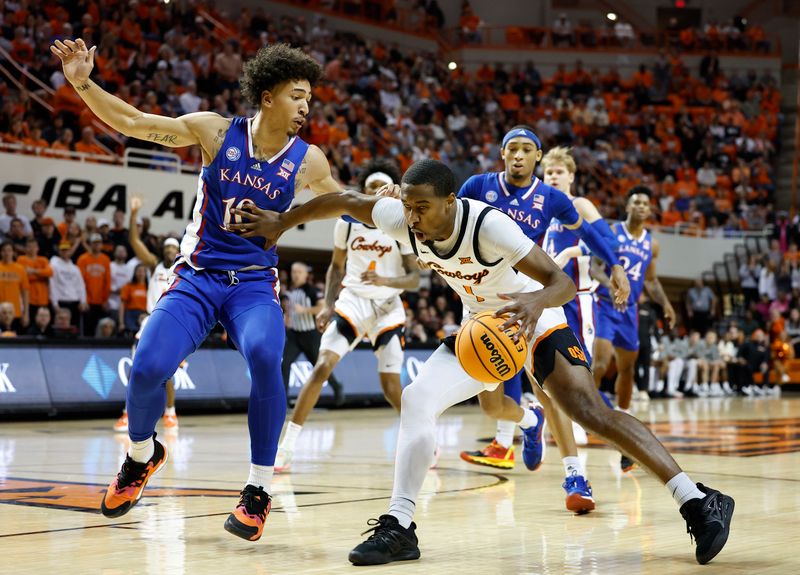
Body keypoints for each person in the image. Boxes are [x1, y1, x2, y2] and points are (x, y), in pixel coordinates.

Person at [234, 159, 734, 567]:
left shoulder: (489, 225)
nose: (411, 217)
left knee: (589, 411)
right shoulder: (399, 217)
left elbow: (558, 280)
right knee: (417, 398)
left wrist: (536, 305)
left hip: (535, 317)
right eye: (407, 207)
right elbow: (342, 202)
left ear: (450, 204)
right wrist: (282, 221)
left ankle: (697, 499)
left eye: (422, 208)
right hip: (484, 328)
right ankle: (400, 524)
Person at [51, 37, 339, 541]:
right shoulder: (215, 131)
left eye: (310, 98)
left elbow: (341, 202)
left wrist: (390, 202)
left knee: (266, 357)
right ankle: (142, 456)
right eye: (297, 95)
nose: (305, 107)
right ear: (267, 96)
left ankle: (258, 490)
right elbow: (135, 124)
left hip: (252, 286)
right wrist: (82, 82)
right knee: (146, 368)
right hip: (198, 279)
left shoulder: (308, 160)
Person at [456, 130, 628, 516]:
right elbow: (446, 217)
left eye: (526, 150)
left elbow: (587, 232)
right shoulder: (477, 186)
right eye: (512, 149)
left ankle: (575, 476)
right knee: (491, 404)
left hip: (532, 296)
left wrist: (615, 265)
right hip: (482, 300)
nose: (518, 156)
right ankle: (527, 420)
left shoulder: (552, 198)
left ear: (537, 157)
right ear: (501, 154)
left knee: (550, 388)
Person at [275, 160, 419, 471]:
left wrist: (385, 281)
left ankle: (419, 439)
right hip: (352, 301)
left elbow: (414, 280)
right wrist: (327, 304)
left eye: (381, 187)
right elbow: (335, 267)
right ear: (362, 191)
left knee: (391, 387)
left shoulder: (401, 227)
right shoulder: (348, 223)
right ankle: (288, 444)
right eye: (369, 188)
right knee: (321, 367)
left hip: (387, 306)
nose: (374, 192)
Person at [591, 186, 677, 472]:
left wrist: (665, 304)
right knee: (600, 364)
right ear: (627, 206)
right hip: (605, 305)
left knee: (628, 369)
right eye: (636, 201)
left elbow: (651, 281)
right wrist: (612, 286)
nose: (641, 206)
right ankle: (587, 414)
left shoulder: (652, 243)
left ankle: (624, 424)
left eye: (645, 203)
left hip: (629, 312)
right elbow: (595, 268)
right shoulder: (612, 232)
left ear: (649, 210)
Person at [114, 197, 183, 433]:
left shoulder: (184, 271)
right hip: (150, 320)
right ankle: (126, 414)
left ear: (179, 251)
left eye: (174, 248)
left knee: (167, 372)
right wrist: (134, 214)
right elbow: (134, 240)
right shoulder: (155, 266)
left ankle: (171, 413)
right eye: (167, 248)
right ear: (163, 250)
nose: (170, 251)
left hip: (172, 324)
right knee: (136, 369)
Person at [281, 261, 344, 404]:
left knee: (320, 365)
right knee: (284, 364)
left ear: (305, 275)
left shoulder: (312, 290)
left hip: (310, 335)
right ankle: (282, 400)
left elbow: (322, 307)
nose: (296, 275)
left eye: (299, 272)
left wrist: (305, 310)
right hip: (294, 335)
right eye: (294, 272)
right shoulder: (290, 290)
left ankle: (337, 387)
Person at [77, 233, 112, 336]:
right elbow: (80, 281)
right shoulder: (83, 259)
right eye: (94, 243)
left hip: (100, 301)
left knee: (100, 328)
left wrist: (105, 300)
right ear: (90, 244)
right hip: (87, 301)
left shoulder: (105, 259)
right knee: (87, 328)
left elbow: (107, 281)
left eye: (99, 243)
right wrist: (83, 300)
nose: (97, 245)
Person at [49, 240, 88, 330]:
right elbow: (52, 284)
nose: (65, 252)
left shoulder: (75, 268)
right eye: (63, 250)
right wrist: (54, 303)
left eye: (67, 250)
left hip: (75, 302)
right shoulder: (54, 265)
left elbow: (80, 285)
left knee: (74, 328)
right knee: (60, 327)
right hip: (61, 301)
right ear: (59, 251)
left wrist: (83, 301)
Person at [17, 237, 53, 324]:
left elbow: (50, 272)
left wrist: (33, 271)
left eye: (34, 246)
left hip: (43, 299)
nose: (32, 249)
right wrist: (41, 275)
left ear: (38, 248)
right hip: (29, 299)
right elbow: (24, 277)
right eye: (29, 246)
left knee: (43, 322)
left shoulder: (43, 260)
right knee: (29, 323)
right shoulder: (21, 259)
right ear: (25, 248)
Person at [0, 241, 30, 331]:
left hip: (15, 312)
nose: (7, 253)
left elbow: (25, 292)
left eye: (9, 250)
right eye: (4, 251)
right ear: (0, 253)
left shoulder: (20, 269)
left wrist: (26, 313)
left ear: (13, 253)